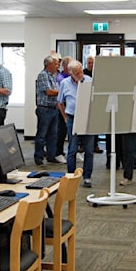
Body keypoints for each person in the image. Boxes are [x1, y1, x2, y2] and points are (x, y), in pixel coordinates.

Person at [57, 59, 94, 188]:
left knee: (89, 150)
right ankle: (71, 176)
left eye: (81, 72)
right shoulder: (64, 83)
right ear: (71, 73)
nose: (80, 75)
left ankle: (87, 177)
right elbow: (60, 102)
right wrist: (65, 117)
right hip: (72, 117)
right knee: (72, 149)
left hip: (88, 117)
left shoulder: (89, 80)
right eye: (77, 74)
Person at [33, 54, 62, 166]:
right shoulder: (43, 75)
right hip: (44, 109)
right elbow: (48, 91)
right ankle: (38, 157)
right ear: (48, 65)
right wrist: (62, 92)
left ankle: (51, 156)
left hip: (53, 108)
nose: (57, 66)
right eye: (55, 64)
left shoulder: (53, 76)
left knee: (53, 135)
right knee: (42, 135)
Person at [53, 56, 73, 160]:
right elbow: (60, 96)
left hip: (70, 107)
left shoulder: (70, 77)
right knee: (61, 130)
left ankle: (68, 151)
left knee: (68, 131)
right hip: (62, 107)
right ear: (65, 66)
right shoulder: (61, 78)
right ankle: (58, 152)